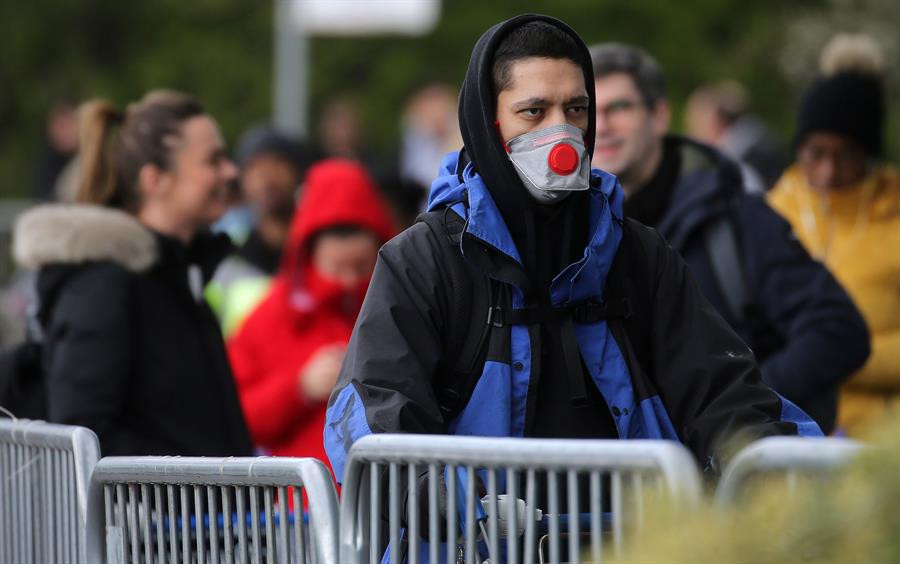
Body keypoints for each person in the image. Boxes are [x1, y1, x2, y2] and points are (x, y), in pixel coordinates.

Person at [325, 14, 822, 488]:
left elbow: (723, 393)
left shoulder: (638, 254)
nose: (561, 130)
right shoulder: (425, 260)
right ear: (487, 124)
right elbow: (374, 413)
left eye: (576, 109)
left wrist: (776, 475)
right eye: (534, 111)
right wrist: (450, 509)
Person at [589, 42, 870, 434]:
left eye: (619, 108)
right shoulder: (577, 237)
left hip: (739, 479)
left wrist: (742, 410)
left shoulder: (736, 217)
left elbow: (838, 329)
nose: (602, 126)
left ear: (659, 115)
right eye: (588, 112)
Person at [12, 90, 253, 456]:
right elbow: (85, 435)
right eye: (213, 160)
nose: (231, 172)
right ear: (154, 180)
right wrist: (183, 495)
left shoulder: (181, 277)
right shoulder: (104, 286)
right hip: (145, 515)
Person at [768, 34, 900, 437]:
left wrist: (834, 353)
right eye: (815, 153)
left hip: (876, 443)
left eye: (845, 155)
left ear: (868, 153)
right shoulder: (770, 211)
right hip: (784, 436)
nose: (827, 171)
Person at [228, 160, 395, 469]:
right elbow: (235, 417)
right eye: (336, 267)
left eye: (360, 266)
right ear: (308, 255)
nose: (348, 280)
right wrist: (299, 388)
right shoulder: (270, 316)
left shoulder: (398, 310)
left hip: (383, 507)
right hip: (298, 511)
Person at [207, 126, 312, 336]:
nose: (267, 178)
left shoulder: (319, 254)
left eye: (278, 165)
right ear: (242, 180)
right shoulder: (226, 259)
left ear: (298, 173)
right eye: (255, 167)